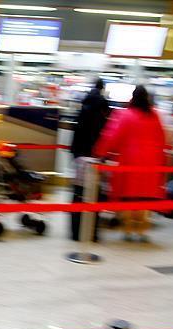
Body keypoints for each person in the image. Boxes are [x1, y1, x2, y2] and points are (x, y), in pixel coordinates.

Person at [94, 85, 167, 243]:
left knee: (129, 196)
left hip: (130, 161)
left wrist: (101, 152)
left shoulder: (125, 114)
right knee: (144, 198)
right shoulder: (154, 115)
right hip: (151, 163)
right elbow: (162, 139)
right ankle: (141, 232)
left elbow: (112, 136)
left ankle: (128, 231)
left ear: (133, 97)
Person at [69, 79, 110, 241]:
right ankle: (91, 233)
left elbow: (77, 131)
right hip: (93, 157)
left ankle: (75, 232)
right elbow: (103, 134)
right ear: (102, 88)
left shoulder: (84, 103)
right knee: (94, 195)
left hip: (79, 156)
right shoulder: (102, 108)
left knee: (79, 193)